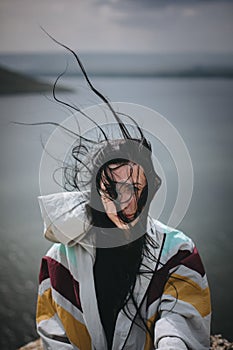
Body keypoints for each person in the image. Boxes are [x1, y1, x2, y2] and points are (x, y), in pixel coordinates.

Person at [36, 45, 211, 349]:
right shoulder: (59, 260)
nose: (125, 203)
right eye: (112, 190)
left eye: (135, 188)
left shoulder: (178, 253)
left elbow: (179, 328)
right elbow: (54, 335)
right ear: (94, 193)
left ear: (152, 187)